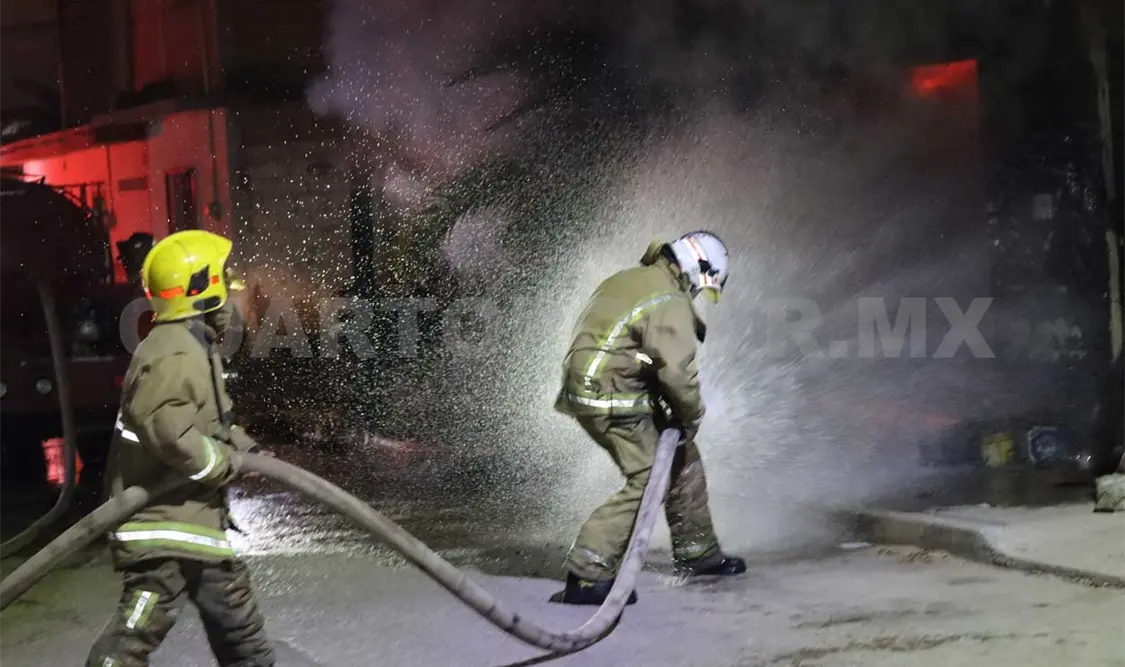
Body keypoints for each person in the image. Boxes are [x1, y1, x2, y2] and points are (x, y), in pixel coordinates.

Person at [86, 229, 275, 667]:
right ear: (199, 290)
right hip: (165, 527)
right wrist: (223, 465)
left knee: (242, 637)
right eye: (222, 281)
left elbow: (206, 423)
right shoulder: (175, 353)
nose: (230, 296)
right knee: (134, 635)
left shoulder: (190, 346)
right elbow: (170, 434)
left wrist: (248, 451)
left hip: (190, 520)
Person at [550, 230, 746, 606]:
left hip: (602, 387)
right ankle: (588, 575)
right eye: (701, 287)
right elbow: (678, 374)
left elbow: (625, 343)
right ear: (697, 269)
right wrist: (691, 416)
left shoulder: (633, 279)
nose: (696, 295)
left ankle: (698, 553)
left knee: (682, 460)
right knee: (648, 479)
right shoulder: (669, 299)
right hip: (610, 396)